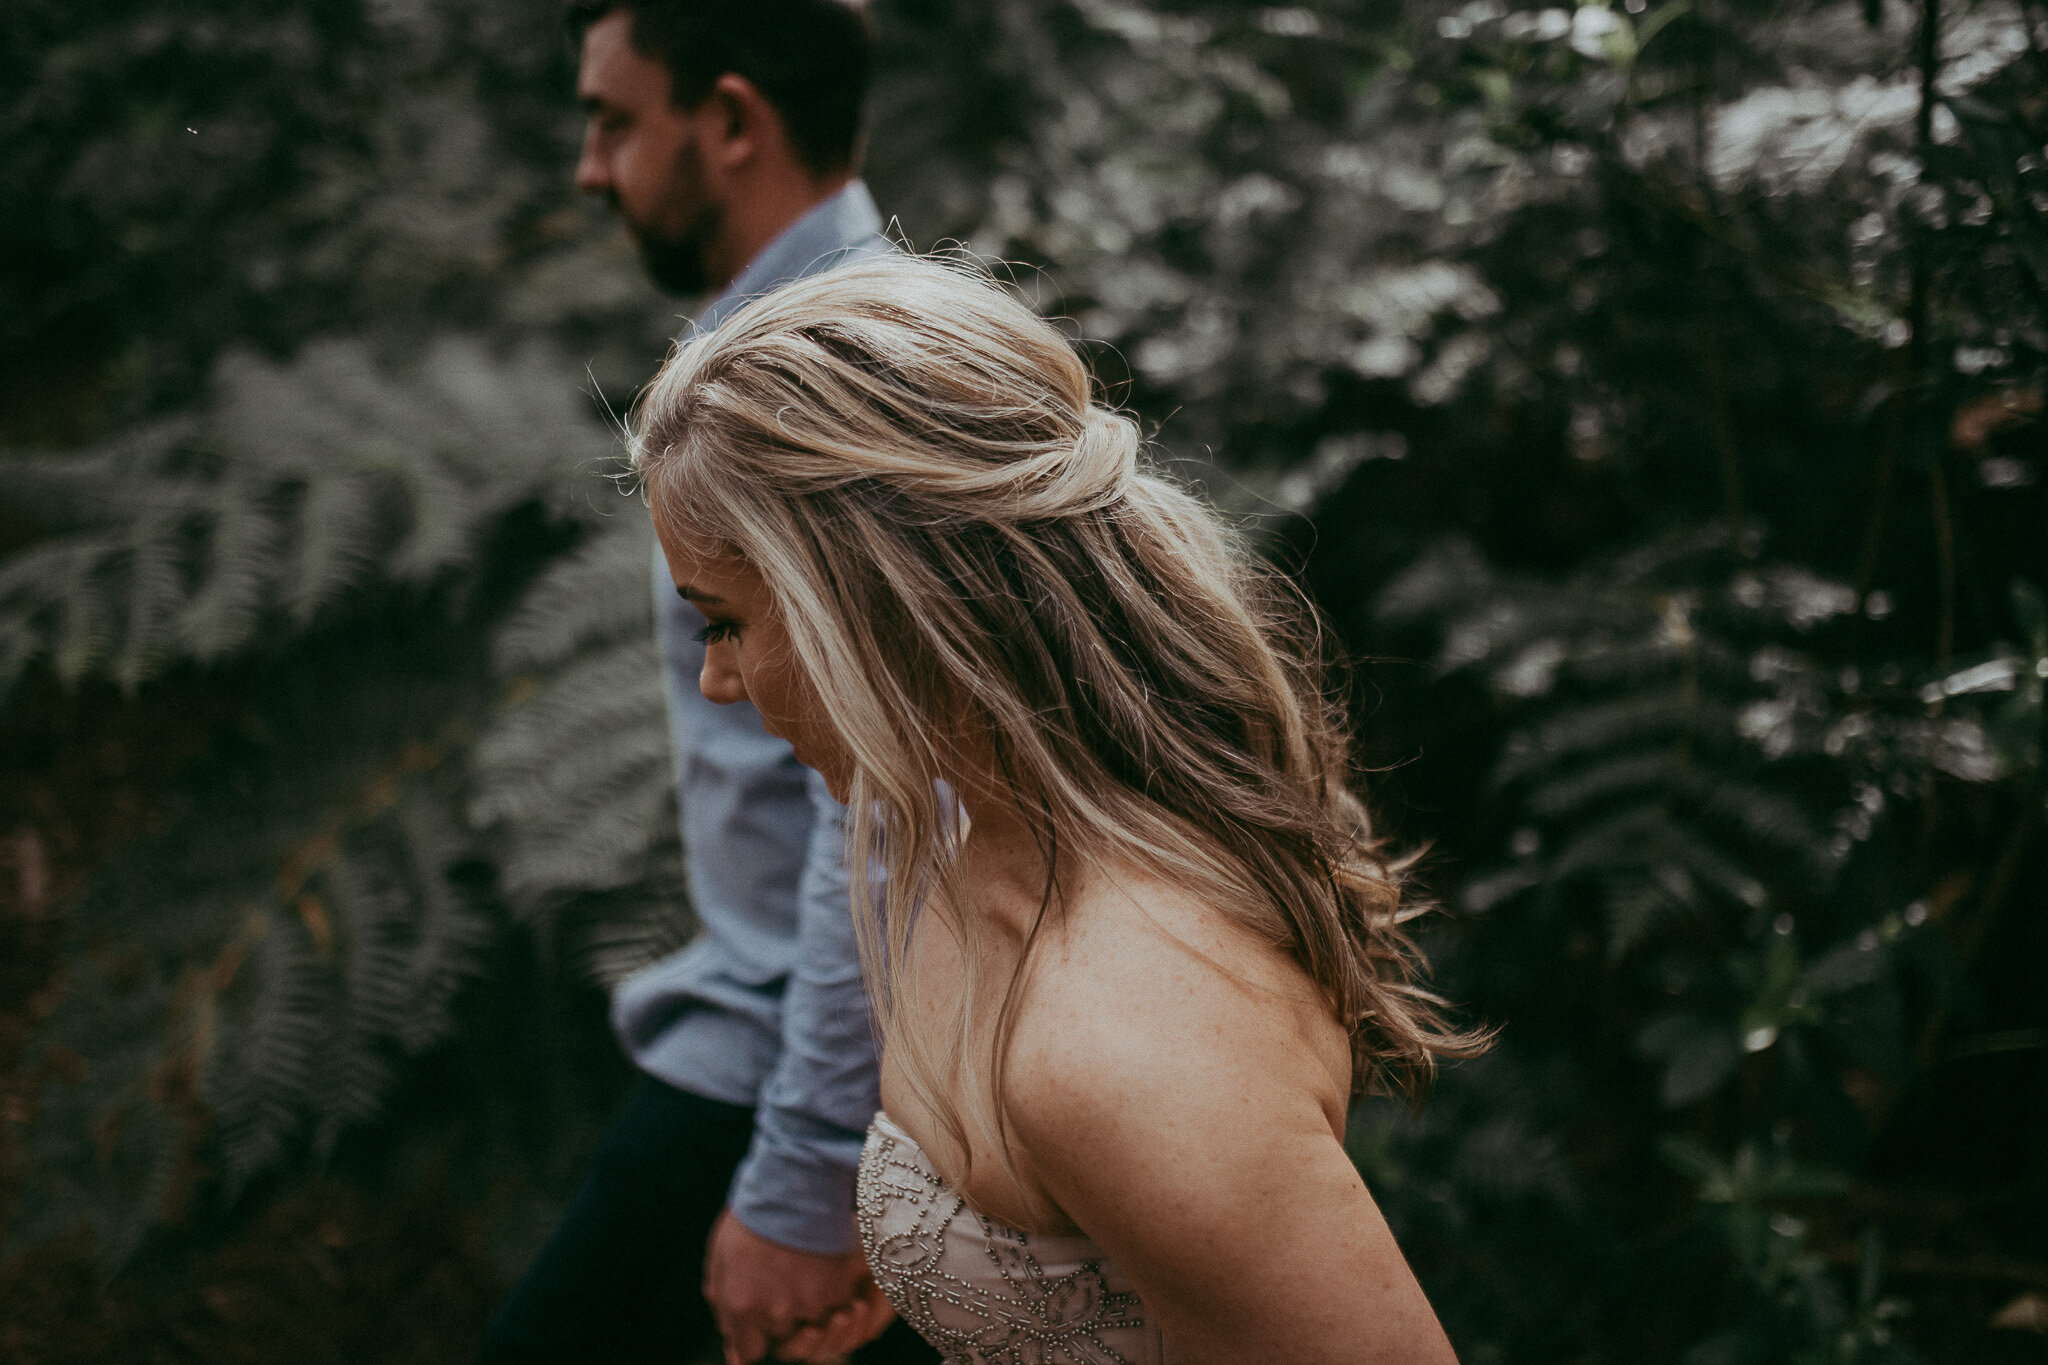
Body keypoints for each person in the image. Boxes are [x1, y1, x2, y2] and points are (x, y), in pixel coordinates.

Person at [628, 253, 1487, 1364]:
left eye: (724, 623)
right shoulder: (952, 839)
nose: (717, 684)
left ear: (875, 606)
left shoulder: (1130, 1046)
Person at [480, 3, 937, 1363]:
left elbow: (881, 796)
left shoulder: (822, 368)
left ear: (733, 121)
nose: (587, 164)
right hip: (822, 1055)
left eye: (614, 119)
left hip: (789, 1064)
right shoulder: (827, 327)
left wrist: (802, 1174)